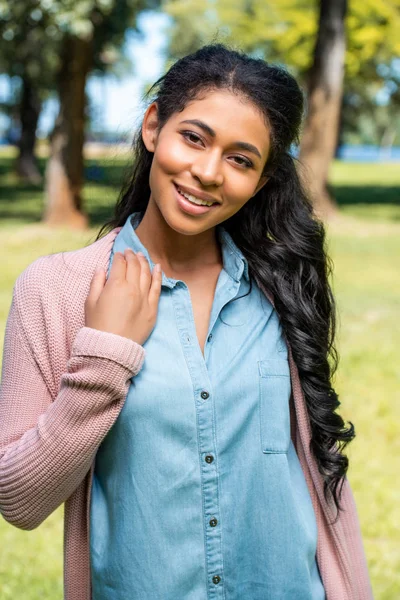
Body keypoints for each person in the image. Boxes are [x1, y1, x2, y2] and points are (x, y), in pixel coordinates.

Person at [0, 43, 372, 600]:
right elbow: (18, 500)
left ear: (264, 179)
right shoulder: (55, 290)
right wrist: (105, 354)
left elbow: (321, 482)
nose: (207, 172)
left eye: (241, 159)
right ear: (154, 127)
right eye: (193, 138)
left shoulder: (281, 288)